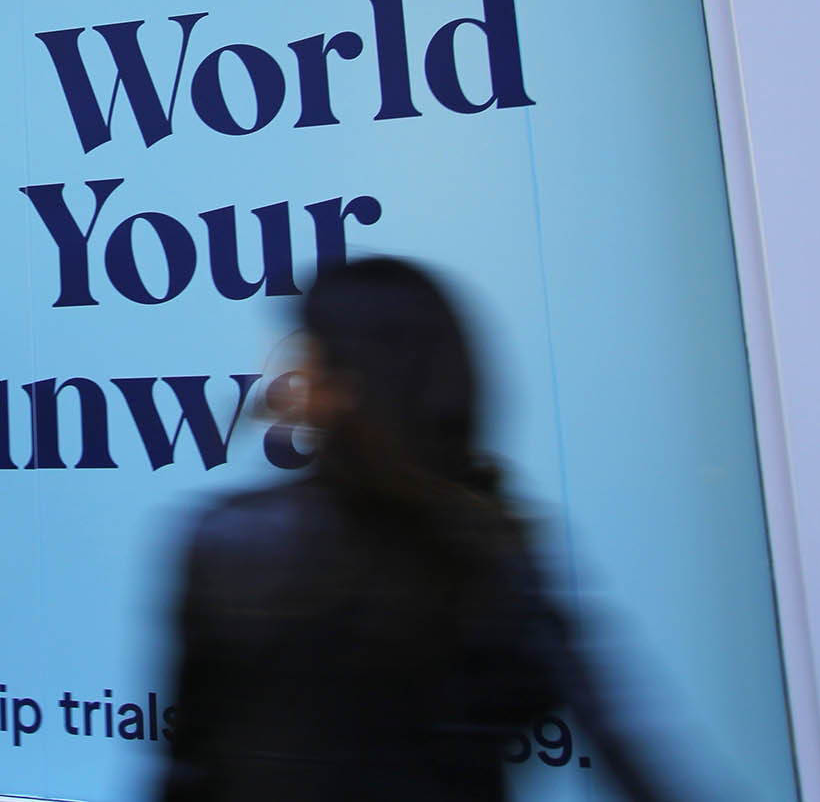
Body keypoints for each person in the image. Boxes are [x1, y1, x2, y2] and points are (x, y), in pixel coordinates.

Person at [161, 257, 680, 802]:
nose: (288, 373)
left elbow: (188, 770)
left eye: (308, 351)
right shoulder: (490, 546)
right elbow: (623, 747)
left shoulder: (235, 540)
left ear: (340, 384)